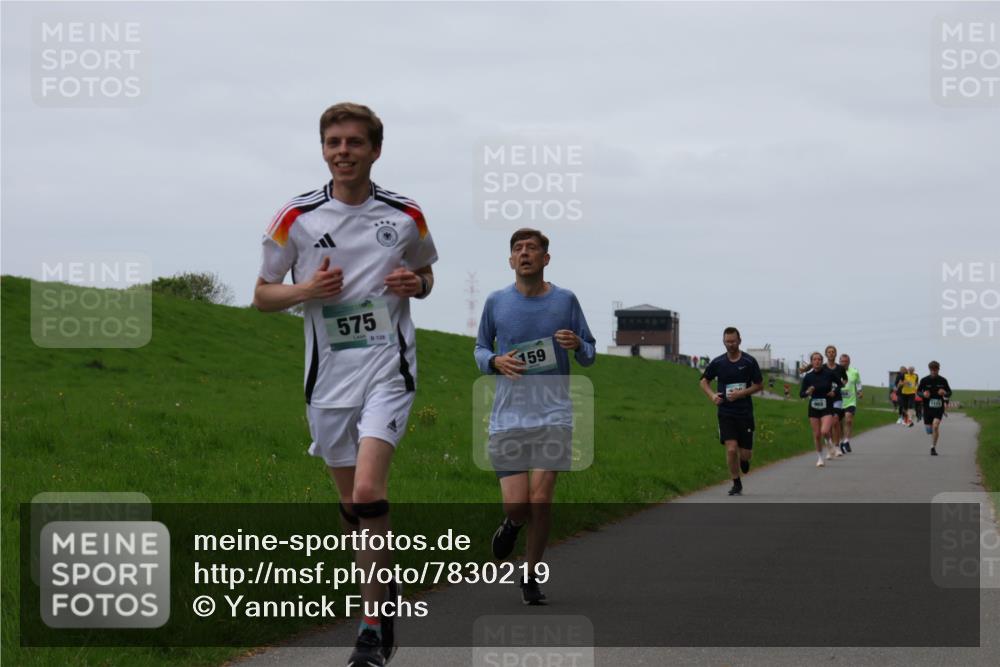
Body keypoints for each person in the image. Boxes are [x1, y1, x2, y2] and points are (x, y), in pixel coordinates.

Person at [253, 102, 438, 667]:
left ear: (375, 150)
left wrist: (417, 283)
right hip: (327, 380)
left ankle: (371, 629)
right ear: (323, 149)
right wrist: (305, 291)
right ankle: (383, 581)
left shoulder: (405, 214)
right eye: (333, 142)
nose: (343, 152)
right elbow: (262, 294)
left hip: (388, 369)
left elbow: (427, 273)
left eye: (355, 142)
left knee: (366, 494)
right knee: (351, 507)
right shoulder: (297, 217)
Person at [475, 228, 596, 605]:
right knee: (518, 505)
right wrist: (494, 360)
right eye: (517, 249)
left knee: (541, 500)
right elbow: (480, 349)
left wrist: (578, 344)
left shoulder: (566, 301)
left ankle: (529, 574)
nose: (524, 253)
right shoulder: (496, 303)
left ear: (546, 259)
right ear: (510, 261)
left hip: (554, 415)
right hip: (508, 418)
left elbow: (589, 353)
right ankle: (511, 523)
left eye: (532, 248)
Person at [699, 327, 764, 496]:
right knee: (731, 449)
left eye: (733, 341)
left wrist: (741, 393)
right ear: (723, 342)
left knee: (745, 454)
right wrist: (712, 396)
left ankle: (744, 460)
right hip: (726, 412)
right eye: (727, 341)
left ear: (739, 341)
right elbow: (704, 381)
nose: (730, 344)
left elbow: (759, 385)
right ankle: (736, 482)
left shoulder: (749, 362)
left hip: (744, 412)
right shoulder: (718, 362)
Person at [800, 352, 840, 467]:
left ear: (822, 362)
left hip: (827, 405)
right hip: (813, 407)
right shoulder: (808, 377)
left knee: (825, 431)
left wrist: (834, 392)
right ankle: (820, 458)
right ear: (812, 362)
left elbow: (840, 385)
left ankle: (829, 443)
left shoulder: (828, 374)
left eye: (819, 359)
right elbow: (801, 394)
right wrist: (808, 392)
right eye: (814, 359)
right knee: (817, 435)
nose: (817, 361)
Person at [918, 361, 952, 455]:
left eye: (935, 369)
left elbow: (949, 392)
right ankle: (931, 432)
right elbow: (918, 392)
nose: (933, 371)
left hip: (938, 407)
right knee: (929, 430)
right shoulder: (924, 380)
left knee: (935, 426)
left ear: (938, 369)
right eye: (932, 370)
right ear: (929, 369)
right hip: (927, 408)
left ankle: (933, 447)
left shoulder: (943, 380)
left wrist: (944, 393)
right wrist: (923, 394)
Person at [823, 345, 848, 458]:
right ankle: (830, 448)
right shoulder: (823, 368)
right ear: (826, 354)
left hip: (837, 397)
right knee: (826, 426)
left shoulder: (840, 368)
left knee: (836, 421)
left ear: (835, 354)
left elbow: (845, 379)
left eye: (833, 352)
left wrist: (840, 385)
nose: (831, 353)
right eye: (829, 352)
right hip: (825, 398)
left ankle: (837, 446)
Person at [838, 353, 862, 453]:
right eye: (842, 361)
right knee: (838, 424)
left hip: (850, 401)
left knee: (848, 420)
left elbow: (858, 383)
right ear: (839, 362)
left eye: (845, 361)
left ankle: (846, 441)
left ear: (849, 362)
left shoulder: (854, 372)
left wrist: (860, 392)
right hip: (838, 401)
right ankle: (840, 442)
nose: (844, 363)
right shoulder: (836, 371)